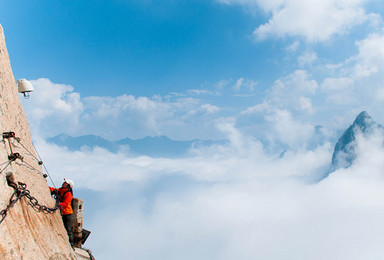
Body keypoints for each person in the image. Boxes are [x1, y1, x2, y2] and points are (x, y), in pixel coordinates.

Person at [50, 178, 74, 246]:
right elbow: (55, 190)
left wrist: (58, 204)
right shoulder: (61, 190)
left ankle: (71, 245)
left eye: (65, 183)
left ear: (68, 186)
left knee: (68, 230)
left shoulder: (68, 194)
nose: (64, 183)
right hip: (63, 213)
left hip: (68, 214)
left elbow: (65, 204)